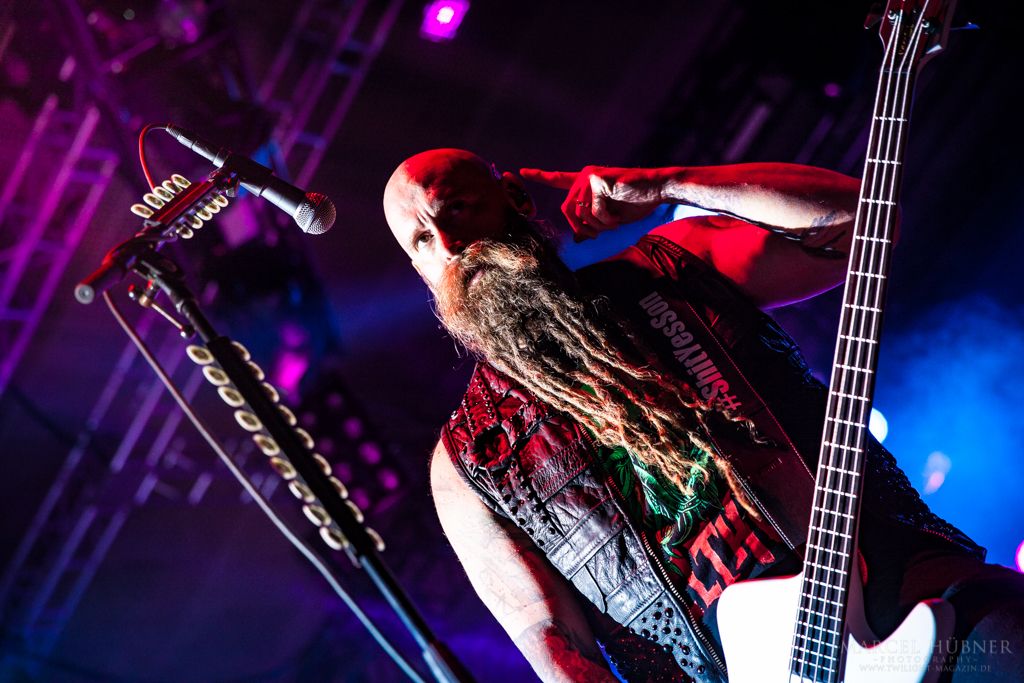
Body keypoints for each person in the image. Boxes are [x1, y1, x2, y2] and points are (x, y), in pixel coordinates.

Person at [382, 148, 1023, 682]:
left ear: (516, 201)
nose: (451, 245)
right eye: (423, 240)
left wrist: (670, 184)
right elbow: (562, 656)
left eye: (457, 209)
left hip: (895, 580)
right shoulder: (466, 464)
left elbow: (863, 218)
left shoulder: (669, 268)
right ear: (420, 270)